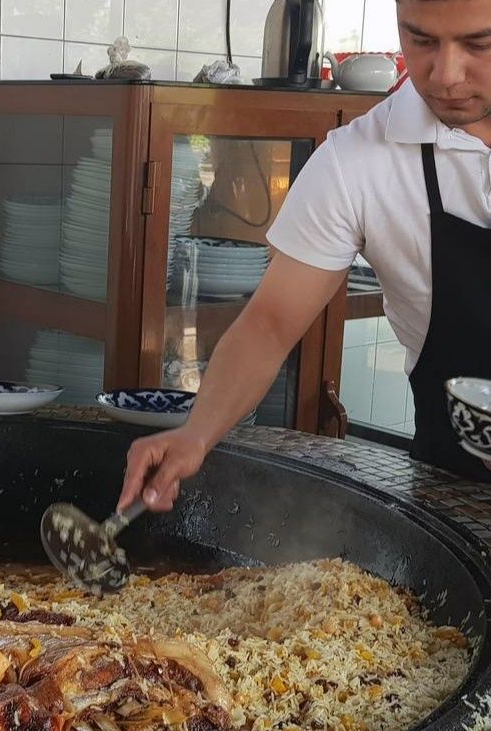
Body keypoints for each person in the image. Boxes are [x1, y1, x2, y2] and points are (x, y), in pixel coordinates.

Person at [119, 0, 491, 515]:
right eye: (421, 40)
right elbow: (269, 325)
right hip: (457, 500)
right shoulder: (356, 160)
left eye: (479, 43)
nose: (446, 75)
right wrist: (197, 434)